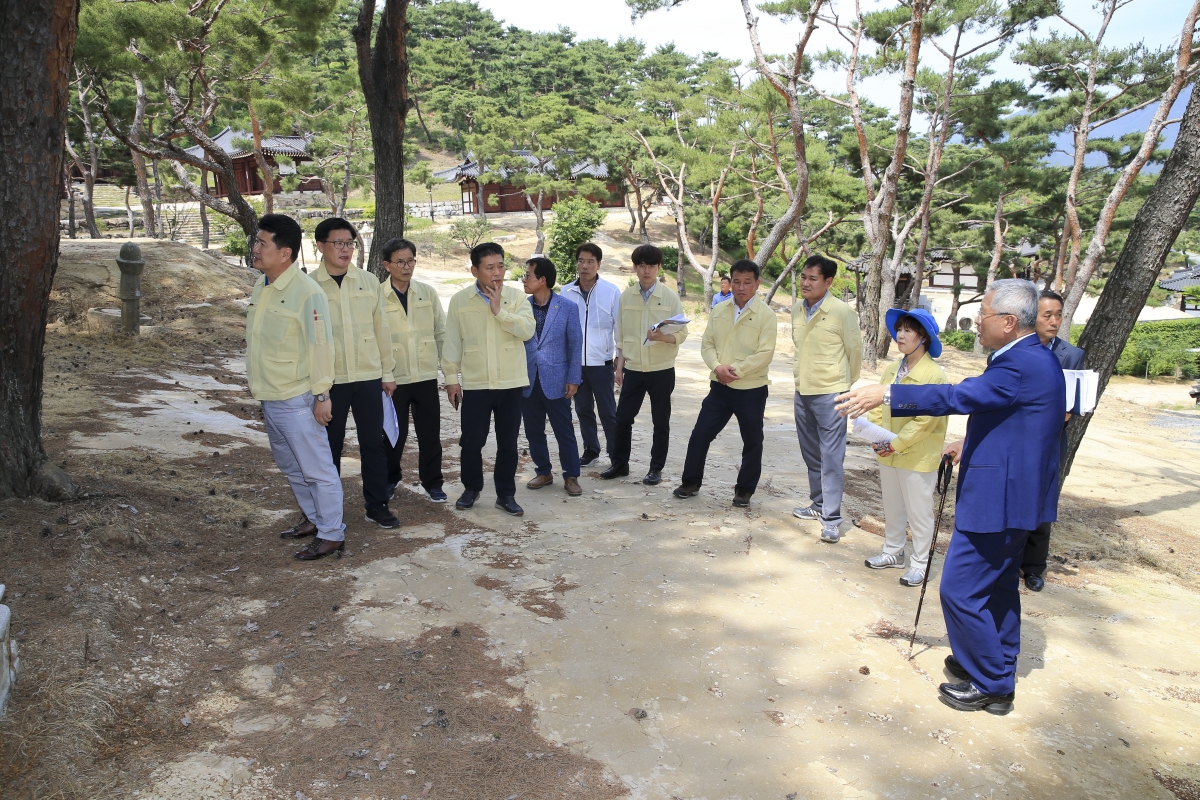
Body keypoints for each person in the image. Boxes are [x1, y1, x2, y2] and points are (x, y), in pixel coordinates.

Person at [836, 279, 1066, 715]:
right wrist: (969, 442)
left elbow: (960, 396)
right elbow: (1013, 419)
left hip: (999, 499)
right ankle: (994, 661)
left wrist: (885, 393)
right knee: (996, 586)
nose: (977, 321)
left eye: (984, 313)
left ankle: (993, 683)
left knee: (960, 590)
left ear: (1009, 322)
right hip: (1015, 494)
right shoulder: (1033, 356)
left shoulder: (1020, 363)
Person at [246, 214, 346, 561]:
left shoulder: (307, 293)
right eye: (256, 242)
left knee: (317, 470)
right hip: (271, 396)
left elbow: (321, 347)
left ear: (285, 253)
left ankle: (332, 534)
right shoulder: (264, 284)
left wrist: (322, 395)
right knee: (292, 468)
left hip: (298, 398)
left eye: (262, 243)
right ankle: (316, 521)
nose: (255, 248)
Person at [312, 217, 399, 529]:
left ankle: (377, 504)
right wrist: (315, 388)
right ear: (320, 246)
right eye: (338, 243)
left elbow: (382, 329)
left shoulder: (368, 282)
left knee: (373, 443)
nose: (345, 249)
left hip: (367, 377)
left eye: (349, 243)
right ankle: (327, 511)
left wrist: (387, 372)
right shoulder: (309, 286)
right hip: (329, 381)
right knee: (327, 448)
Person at [443, 242, 536, 516]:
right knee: (472, 441)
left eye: (501, 266)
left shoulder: (516, 298)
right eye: (490, 267)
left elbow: (527, 330)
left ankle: (506, 494)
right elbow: (452, 343)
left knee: (508, 443)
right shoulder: (460, 301)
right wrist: (451, 378)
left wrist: (499, 311)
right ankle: (471, 489)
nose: (497, 272)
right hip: (476, 383)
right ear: (475, 270)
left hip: (510, 383)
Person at [674, 260, 777, 507]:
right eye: (737, 282)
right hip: (719, 387)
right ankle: (691, 482)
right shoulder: (719, 310)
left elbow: (766, 353)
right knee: (700, 435)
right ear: (731, 283)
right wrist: (716, 367)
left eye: (747, 282)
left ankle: (744, 490)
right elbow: (707, 344)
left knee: (753, 441)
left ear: (757, 284)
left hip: (751, 389)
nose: (741, 287)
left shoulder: (766, 315)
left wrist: (737, 370)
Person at [862, 309, 949, 587]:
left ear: (923, 337)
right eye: (899, 329)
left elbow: (925, 421)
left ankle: (920, 563)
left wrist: (895, 443)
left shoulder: (934, 375)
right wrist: (877, 437)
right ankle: (892, 552)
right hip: (887, 451)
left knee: (919, 512)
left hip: (917, 454)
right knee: (893, 507)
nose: (900, 335)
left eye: (908, 330)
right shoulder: (892, 368)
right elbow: (878, 405)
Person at [790, 255, 863, 543]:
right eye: (803, 277)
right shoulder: (797, 308)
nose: (806, 283)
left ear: (828, 282)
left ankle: (831, 518)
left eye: (813, 278)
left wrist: (844, 385)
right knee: (811, 454)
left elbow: (854, 353)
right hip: (802, 390)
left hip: (832, 393)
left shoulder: (842, 313)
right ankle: (818, 505)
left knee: (832, 458)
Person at [603, 244, 689, 485]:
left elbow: (682, 334)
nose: (646, 270)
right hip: (633, 369)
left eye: (651, 266)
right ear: (635, 268)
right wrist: (619, 367)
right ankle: (620, 464)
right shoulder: (626, 296)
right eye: (641, 265)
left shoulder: (670, 298)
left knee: (660, 421)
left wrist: (663, 337)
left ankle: (655, 469)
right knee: (623, 419)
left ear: (659, 268)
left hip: (661, 369)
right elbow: (620, 334)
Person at [1021, 289, 1085, 591]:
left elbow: (1068, 410)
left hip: (1049, 443)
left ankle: (1034, 567)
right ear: (1033, 317)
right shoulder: (1016, 350)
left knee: (1042, 507)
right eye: (1048, 315)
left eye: (1059, 315)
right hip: (1017, 440)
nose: (1055, 321)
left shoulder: (1071, 356)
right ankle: (1007, 560)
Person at [379, 237, 447, 504]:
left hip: (426, 376)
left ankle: (433, 482)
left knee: (430, 433)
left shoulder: (427, 293)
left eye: (410, 261)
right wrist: (384, 374)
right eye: (400, 262)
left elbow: (441, 332)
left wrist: (449, 372)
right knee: (393, 433)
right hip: (394, 378)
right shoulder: (378, 296)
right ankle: (389, 478)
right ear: (387, 265)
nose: (407, 267)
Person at [521, 257, 584, 496]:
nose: (524, 280)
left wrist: (574, 378)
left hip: (557, 380)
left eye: (528, 275)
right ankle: (544, 472)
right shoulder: (521, 306)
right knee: (533, 430)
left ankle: (571, 476)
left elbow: (575, 345)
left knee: (563, 430)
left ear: (543, 280)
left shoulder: (567, 307)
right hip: (528, 380)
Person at [561, 243, 621, 468]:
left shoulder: (611, 291)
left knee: (608, 411)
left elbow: (619, 327)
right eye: (581, 261)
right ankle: (591, 450)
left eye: (590, 262)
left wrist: (619, 357)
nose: (585, 266)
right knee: (583, 408)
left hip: (602, 362)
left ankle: (616, 454)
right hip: (575, 364)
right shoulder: (566, 292)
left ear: (599, 264)